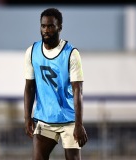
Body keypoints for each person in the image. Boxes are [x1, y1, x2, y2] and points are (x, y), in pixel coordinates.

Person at [23, 7, 88, 160]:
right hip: (45, 119)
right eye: (43, 26)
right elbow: (29, 87)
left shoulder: (71, 53)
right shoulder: (32, 52)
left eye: (51, 26)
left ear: (59, 27)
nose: (46, 30)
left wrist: (79, 124)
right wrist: (27, 118)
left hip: (69, 119)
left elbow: (78, 90)